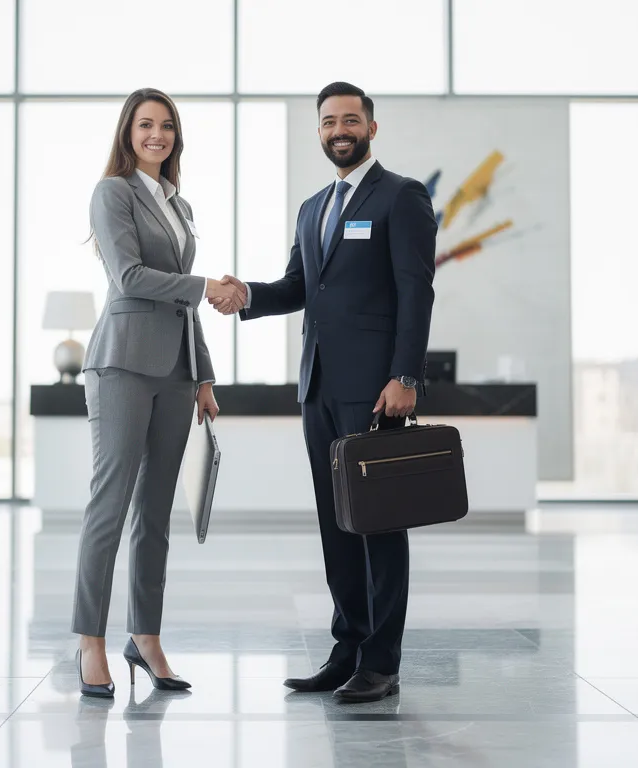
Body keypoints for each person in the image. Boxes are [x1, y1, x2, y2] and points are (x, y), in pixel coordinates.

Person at [214, 82, 436, 703]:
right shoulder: (313, 207)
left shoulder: (402, 197)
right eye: (328, 122)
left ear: (371, 126)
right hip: (317, 387)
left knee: (380, 526)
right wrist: (247, 295)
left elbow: (417, 292)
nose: (340, 129)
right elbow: (296, 287)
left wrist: (406, 376)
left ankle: (382, 662)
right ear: (319, 132)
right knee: (336, 522)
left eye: (350, 119)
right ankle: (348, 647)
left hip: (375, 392)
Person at [73, 87, 247, 698]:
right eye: (145, 125)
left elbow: (179, 301)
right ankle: (89, 642)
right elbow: (129, 278)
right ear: (127, 133)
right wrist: (206, 285)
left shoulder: (180, 203)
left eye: (167, 126)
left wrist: (202, 375)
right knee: (110, 504)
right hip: (122, 364)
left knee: (155, 515)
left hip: (175, 372)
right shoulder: (112, 193)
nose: (157, 135)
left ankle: (144, 637)